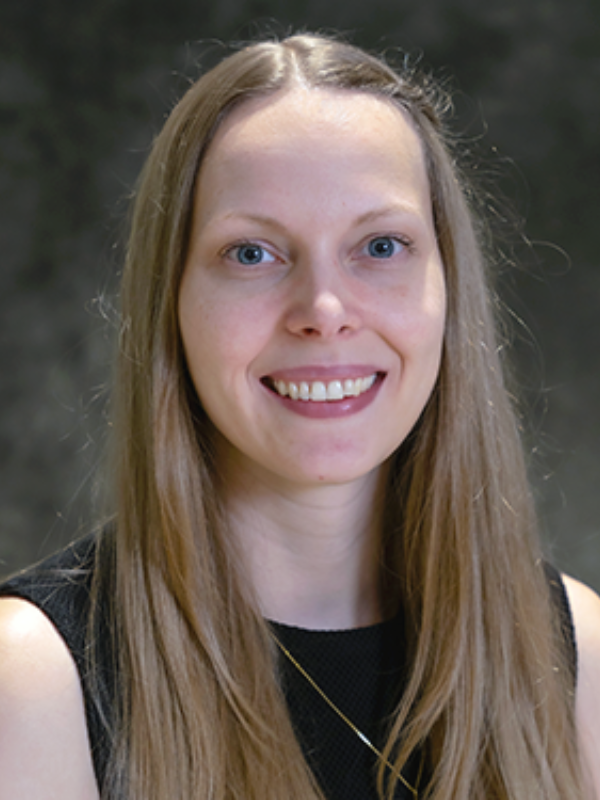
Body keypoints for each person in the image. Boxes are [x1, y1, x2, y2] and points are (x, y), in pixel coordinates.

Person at [0, 32, 598, 800]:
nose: (323, 310)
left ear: (449, 291)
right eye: (252, 254)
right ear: (171, 302)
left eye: (381, 245)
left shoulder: (571, 653)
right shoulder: (32, 681)